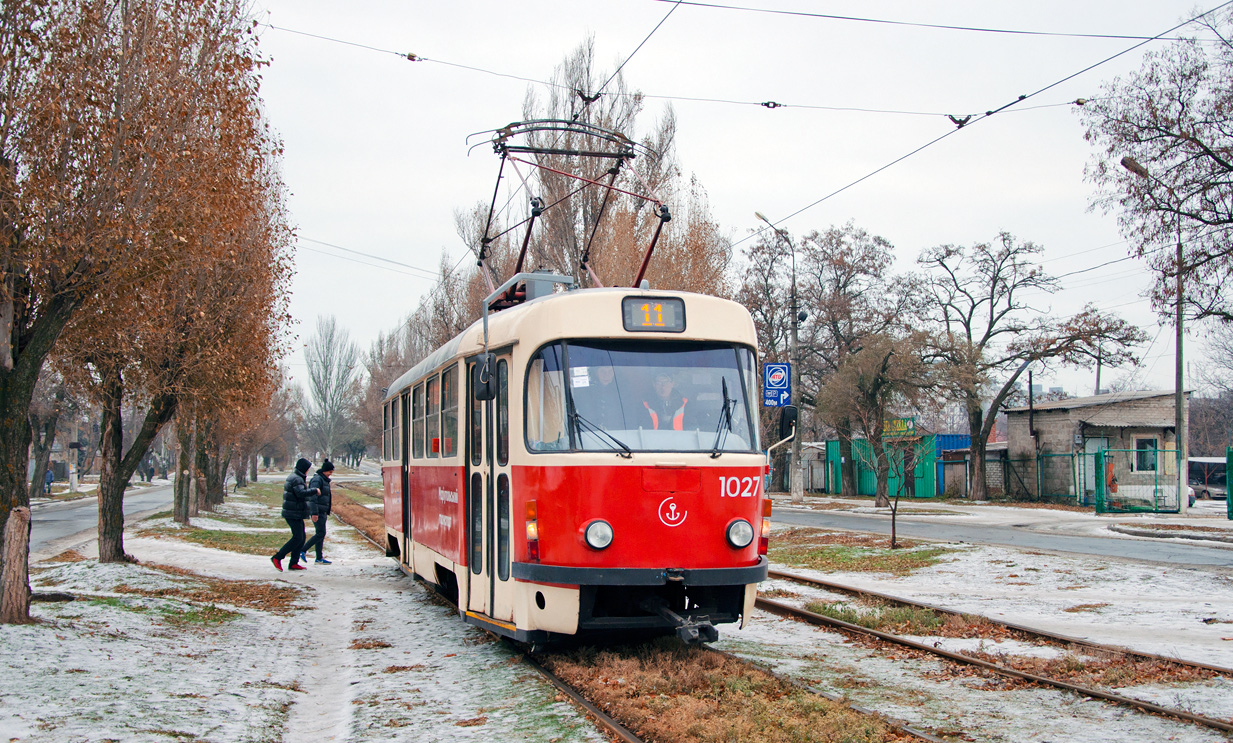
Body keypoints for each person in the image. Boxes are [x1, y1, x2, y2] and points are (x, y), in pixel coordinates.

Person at [272, 458, 318, 572]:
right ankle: (277, 557)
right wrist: (314, 491)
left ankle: (294, 563)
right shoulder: (297, 479)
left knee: (301, 538)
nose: (308, 471)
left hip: (295, 512)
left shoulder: (296, 477)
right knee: (298, 537)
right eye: (307, 468)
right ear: (303, 468)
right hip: (293, 512)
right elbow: (300, 493)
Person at [301, 459, 334, 565]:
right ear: (324, 471)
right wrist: (314, 513)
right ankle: (303, 550)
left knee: (321, 534)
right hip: (318, 511)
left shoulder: (323, 480)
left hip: (322, 510)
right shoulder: (317, 480)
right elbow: (313, 498)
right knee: (320, 533)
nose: (330, 474)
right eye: (329, 472)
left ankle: (319, 558)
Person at [574, 364, 624, 428]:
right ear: (596, 373)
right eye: (602, 371)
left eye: (610, 371)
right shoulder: (585, 392)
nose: (606, 375)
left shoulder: (621, 391)